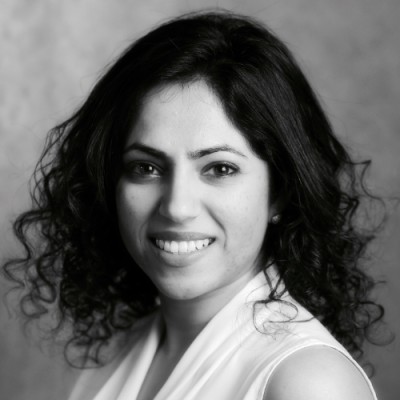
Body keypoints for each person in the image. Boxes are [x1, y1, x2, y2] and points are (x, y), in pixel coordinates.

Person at [3, 10, 385, 400]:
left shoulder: (308, 383)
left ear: (280, 192)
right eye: (146, 167)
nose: (177, 207)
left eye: (220, 168)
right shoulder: (118, 355)